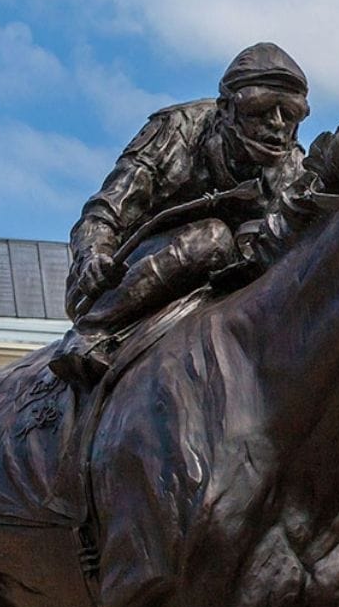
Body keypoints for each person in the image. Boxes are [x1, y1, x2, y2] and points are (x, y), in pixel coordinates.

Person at [49, 42, 313, 385]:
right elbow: (105, 211)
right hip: (118, 279)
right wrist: (93, 257)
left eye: (289, 114)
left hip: (222, 285)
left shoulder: (292, 166)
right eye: (262, 110)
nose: (277, 125)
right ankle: (91, 331)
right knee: (214, 237)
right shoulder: (175, 131)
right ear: (226, 108)